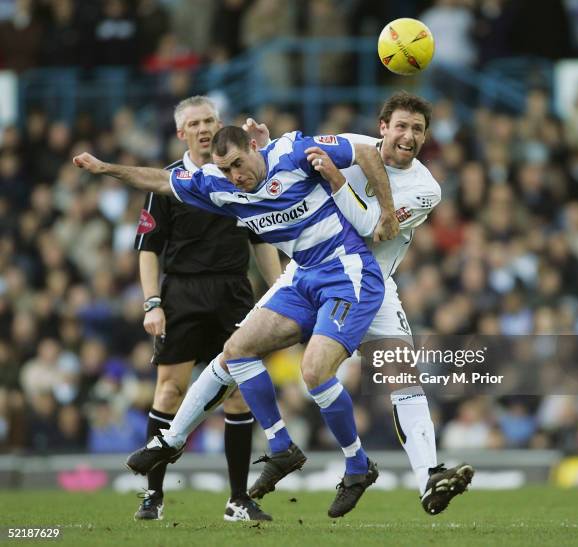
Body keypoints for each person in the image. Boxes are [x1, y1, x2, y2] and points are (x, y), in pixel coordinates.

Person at [124, 91, 474, 516]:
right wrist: (268, 158)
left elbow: (367, 229)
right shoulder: (351, 144)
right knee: (233, 353)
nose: (408, 135)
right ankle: (171, 441)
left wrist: (329, 178)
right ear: (382, 128)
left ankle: (428, 479)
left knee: (400, 374)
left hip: (366, 280)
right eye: (401, 126)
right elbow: (288, 174)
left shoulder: (424, 189)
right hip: (307, 272)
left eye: (417, 130)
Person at [74, 127, 399, 518]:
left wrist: (386, 210)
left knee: (313, 371)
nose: (235, 177)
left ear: (254, 147)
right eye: (225, 169)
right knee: (236, 350)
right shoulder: (217, 185)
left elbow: (365, 150)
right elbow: (160, 179)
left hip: (347, 272)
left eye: (238, 165)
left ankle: (357, 466)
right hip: (303, 276)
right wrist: (105, 168)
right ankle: (280, 446)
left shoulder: (291, 153)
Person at [133, 96, 282, 522]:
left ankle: (238, 499)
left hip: (235, 293)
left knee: (239, 395)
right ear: (181, 133)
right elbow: (148, 249)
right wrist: (152, 303)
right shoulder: (167, 182)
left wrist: (276, 290)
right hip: (182, 294)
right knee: (169, 391)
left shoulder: (240, 175)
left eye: (210, 120)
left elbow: (261, 238)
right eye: (195, 123)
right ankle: (152, 495)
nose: (203, 128)